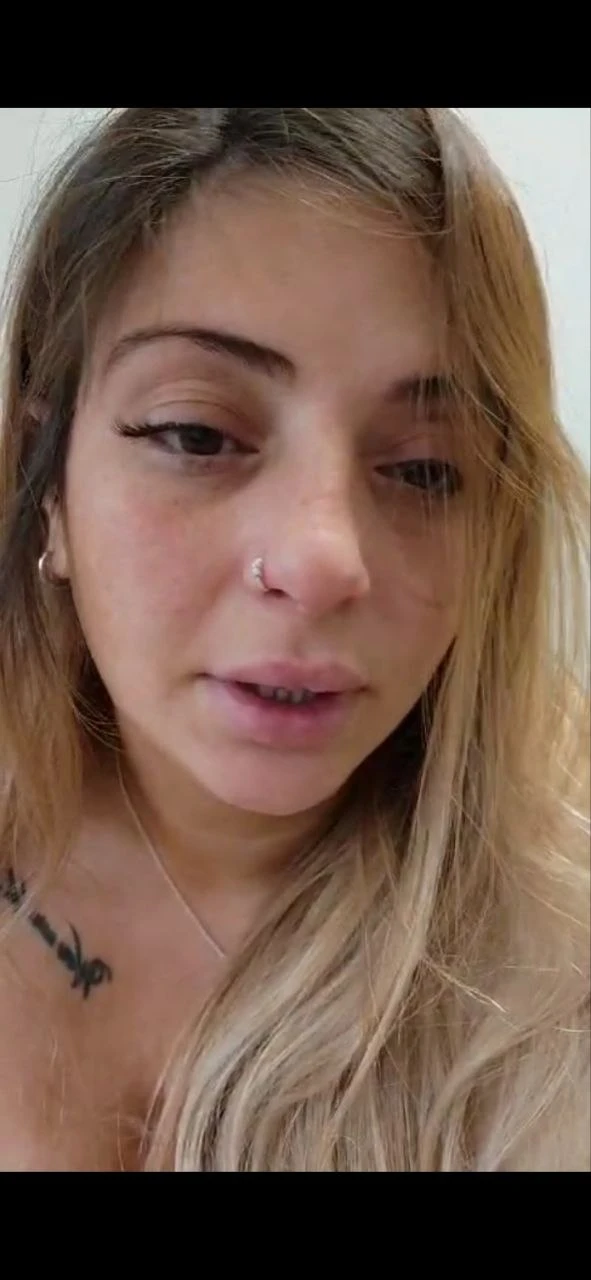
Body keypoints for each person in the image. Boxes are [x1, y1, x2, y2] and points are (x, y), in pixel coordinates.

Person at [0, 108, 588, 1173]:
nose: (323, 559)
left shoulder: (557, 966)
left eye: (424, 469)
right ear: (47, 484)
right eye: (197, 433)